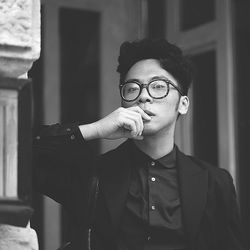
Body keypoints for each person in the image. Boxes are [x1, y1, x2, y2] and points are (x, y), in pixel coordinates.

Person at [33, 38, 245, 250]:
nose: (143, 96)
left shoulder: (216, 183)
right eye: (133, 88)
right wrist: (95, 129)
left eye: (158, 86)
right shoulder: (92, 174)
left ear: (182, 104)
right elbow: (15, 153)